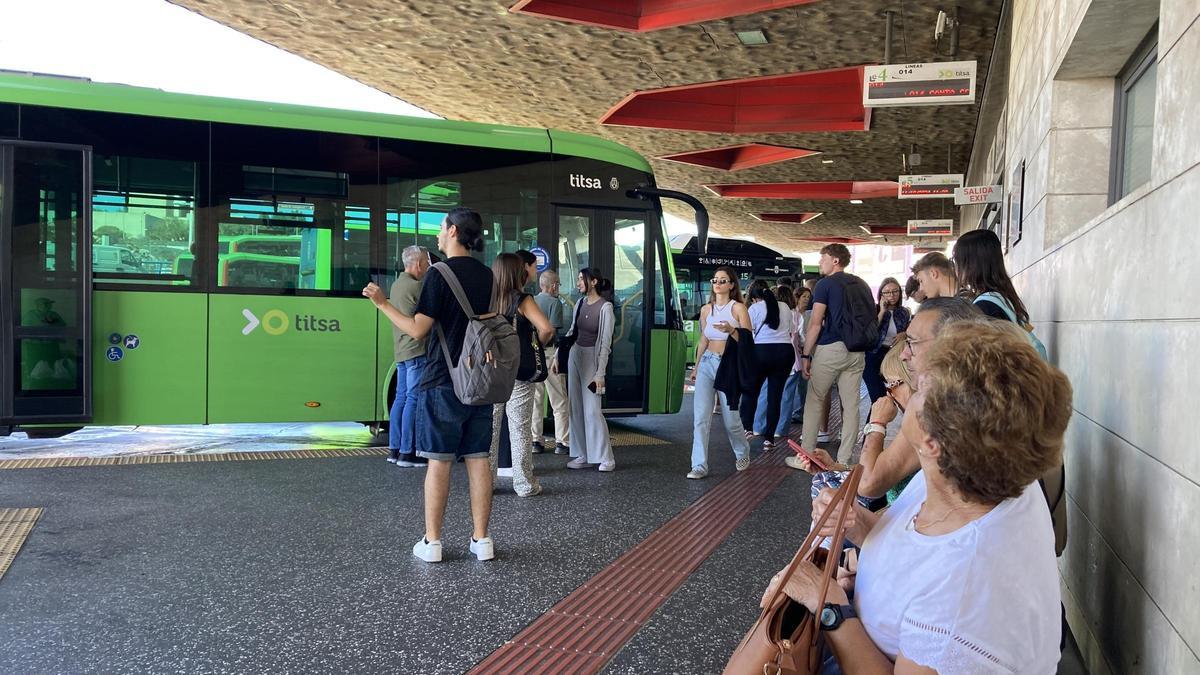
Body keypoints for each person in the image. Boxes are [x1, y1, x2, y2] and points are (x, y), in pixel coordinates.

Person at [762, 320, 1071, 673]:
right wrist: (857, 524)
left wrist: (832, 607)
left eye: (920, 386)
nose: (909, 384)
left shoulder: (963, 599)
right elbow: (922, 547)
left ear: (931, 441)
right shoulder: (980, 474)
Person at [362, 207, 497, 564]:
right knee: (478, 458)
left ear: (453, 231)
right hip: (480, 380)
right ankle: (482, 540)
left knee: (439, 461)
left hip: (442, 378)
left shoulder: (438, 274)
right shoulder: (487, 275)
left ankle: (433, 542)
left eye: (441, 228)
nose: (438, 234)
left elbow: (418, 330)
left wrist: (382, 304)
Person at [488, 253, 555, 497]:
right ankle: (524, 483)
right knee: (519, 427)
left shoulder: (489, 299)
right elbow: (546, 328)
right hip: (518, 371)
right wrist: (534, 344)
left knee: (492, 428)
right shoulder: (522, 300)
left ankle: (487, 483)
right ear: (518, 272)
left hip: (493, 371)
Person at [799, 244, 873, 465]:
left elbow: (815, 323)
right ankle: (844, 459)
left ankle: (806, 455)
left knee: (815, 399)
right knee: (851, 406)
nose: (820, 262)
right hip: (857, 350)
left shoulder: (825, 285)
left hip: (831, 348)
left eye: (823, 258)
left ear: (835, 261)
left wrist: (805, 355)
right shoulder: (861, 284)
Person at [686, 266, 753, 479]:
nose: (717, 283)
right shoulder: (707, 310)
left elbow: (747, 340)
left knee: (731, 419)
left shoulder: (738, 309)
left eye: (723, 280)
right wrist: (696, 366)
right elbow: (703, 339)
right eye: (715, 280)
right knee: (701, 418)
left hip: (728, 365)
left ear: (732, 285)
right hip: (707, 362)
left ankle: (742, 451)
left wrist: (732, 330)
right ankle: (699, 465)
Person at [556, 267, 616, 472]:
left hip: (592, 359)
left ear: (594, 282)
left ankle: (606, 457)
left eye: (582, 279)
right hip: (575, 355)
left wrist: (600, 373)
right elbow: (573, 330)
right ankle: (583, 454)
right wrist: (558, 355)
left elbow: (606, 343)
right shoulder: (580, 303)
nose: (578, 283)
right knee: (576, 408)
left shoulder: (605, 308)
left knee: (592, 410)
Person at [387, 245, 431, 467]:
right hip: (416, 349)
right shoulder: (417, 286)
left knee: (401, 398)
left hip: (401, 350)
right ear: (418, 264)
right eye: (427, 262)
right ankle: (408, 452)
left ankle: (395, 449)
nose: (428, 266)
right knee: (413, 399)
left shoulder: (397, 284)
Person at [739, 280, 794, 449]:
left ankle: (747, 428)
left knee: (750, 391)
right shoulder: (785, 307)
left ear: (754, 298)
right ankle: (769, 439)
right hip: (785, 352)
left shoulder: (754, 308)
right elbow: (790, 330)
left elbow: (748, 333)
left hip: (761, 352)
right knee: (775, 397)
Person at [952, 228, 1031, 323]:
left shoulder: (985, 306)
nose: (955, 267)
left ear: (972, 264)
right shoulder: (1002, 297)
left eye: (956, 260)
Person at [530, 270, 569, 455]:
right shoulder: (555, 303)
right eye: (558, 284)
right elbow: (553, 331)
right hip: (550, 354)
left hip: (533, 355)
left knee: (536, 399)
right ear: (553, 286)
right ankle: (562, 442)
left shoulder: (531, 301)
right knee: (559, 400)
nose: (558, 288)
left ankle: (535, 441)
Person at [863, 277, 910, 402]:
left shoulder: (903, 312)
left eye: (895, 291)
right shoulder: (874, 309)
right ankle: (874, 421)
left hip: (894, 356)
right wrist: (883, 311)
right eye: (887, 292)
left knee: (899, 395)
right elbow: (871, 331)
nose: (892, 295)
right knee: (878, 397)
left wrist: (905, 334)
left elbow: (910, 332)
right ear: (881, 294)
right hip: (873, 356)